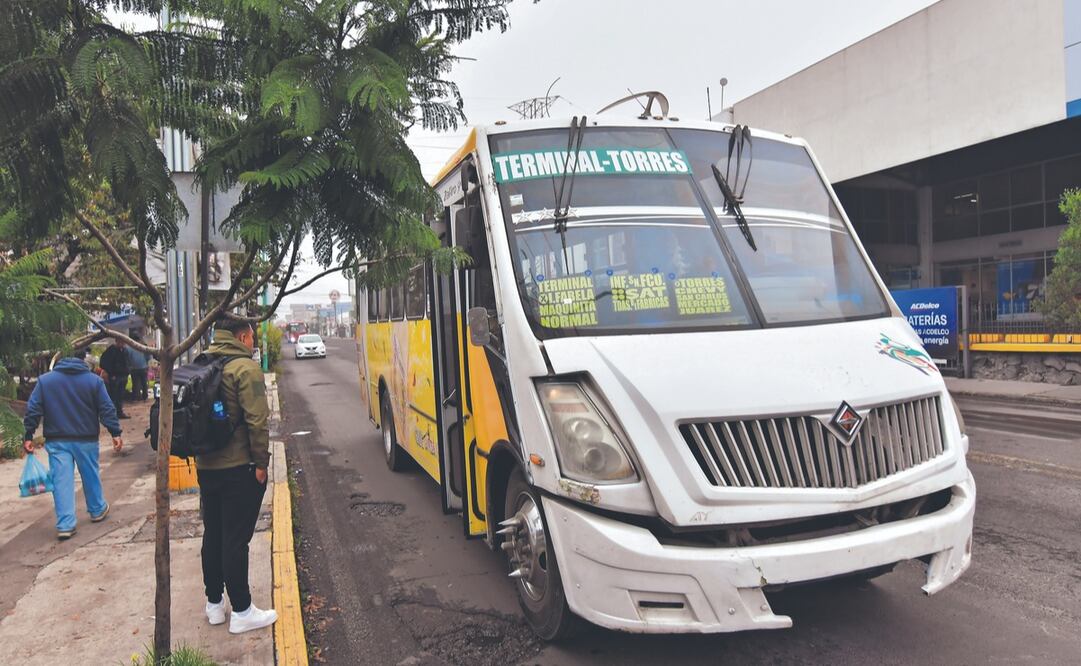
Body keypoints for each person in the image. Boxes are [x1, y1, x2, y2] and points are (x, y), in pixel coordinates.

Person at [197, 318, 278, 634]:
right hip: (238, 467)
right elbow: (258, 421)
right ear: (242, 336)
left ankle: (215, 604)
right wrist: (261, 463)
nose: (253, 343)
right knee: (235, 540)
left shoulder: (204, 362)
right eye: (252, 338)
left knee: (213, 534)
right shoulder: (245, 368)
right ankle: (243, 610)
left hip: (206, 467)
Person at [22, 349, 123, 540]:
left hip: (57, 440)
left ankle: (65, 525)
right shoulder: (94, 381)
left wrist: (28, 435)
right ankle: (97, 509)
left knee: (61, 481)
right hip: (86, 439)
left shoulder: (46, 381)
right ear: (83, 361)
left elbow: (33, 408)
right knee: (90, 474)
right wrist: (115, 432)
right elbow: (106, 407)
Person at [99, 337, 130, 419]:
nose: (122, 344)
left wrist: (127, 371)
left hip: (123, 375)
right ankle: (112, 413)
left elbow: (127, 362)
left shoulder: (124, 351)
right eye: (121, 342)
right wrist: (111, 374)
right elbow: (104, 362)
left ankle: (119, 412)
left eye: (123, 342)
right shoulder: (111, 350)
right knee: (114, 395)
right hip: (114, 376)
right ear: (117, 341)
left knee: (120, 395)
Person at [126, 336, 151, 401]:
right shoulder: (142, 347)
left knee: (135, 383)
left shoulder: (129, 348)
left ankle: (136, 397)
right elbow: (148, 356)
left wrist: (129, 366)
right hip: (143, 367)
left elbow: (127, 358)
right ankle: (144, 397)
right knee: (144, 382)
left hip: (134, 368)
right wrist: (147, 363)